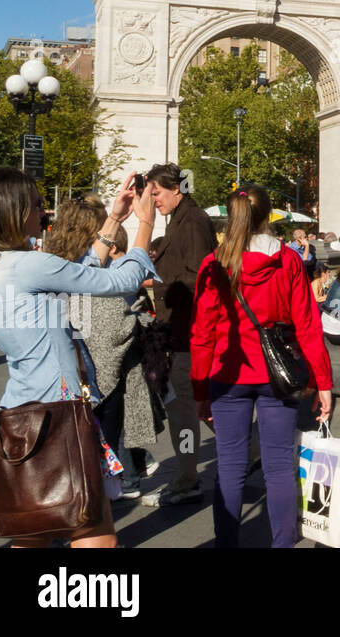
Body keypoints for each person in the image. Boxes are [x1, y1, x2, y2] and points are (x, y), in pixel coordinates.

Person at [0, 170, 156, 547]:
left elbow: (80, 273)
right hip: (60, 417)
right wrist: (145, 223)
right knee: (94, 539)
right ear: (14, 211)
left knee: (32, 534)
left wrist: (114, 219)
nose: (42, 211)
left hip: (21, 413)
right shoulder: (28, 264)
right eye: (35, 203)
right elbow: (118, 282)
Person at [191, 185, 332, 549]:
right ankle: (282, 544)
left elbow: (202, 333)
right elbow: (307, 325)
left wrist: (199, 390)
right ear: (268, 216)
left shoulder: (214, 263)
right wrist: (322, 381)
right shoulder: (287, 261)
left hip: (227, 374)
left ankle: (226, 543)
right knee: (279, 467)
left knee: (231, 467)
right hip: (277, 375)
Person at [49, 200, 163, 501]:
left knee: (66, 472)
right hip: (96, 384)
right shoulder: (93, 280)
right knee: (93, 478)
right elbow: (113, 329)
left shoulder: (50, 268)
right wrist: (145, 225)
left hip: (54, 382)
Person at [144, 162, 216, 507]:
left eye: (156, 192)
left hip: (188, 331)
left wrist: (157, 282)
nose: (152, 200)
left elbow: (202, 277)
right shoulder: (182, 220)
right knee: (192, 406)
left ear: (175, 189)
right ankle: (251, 448)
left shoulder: (194, 221)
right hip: (178, 330)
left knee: (184, 409)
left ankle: (188, 478)